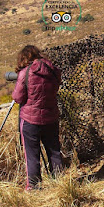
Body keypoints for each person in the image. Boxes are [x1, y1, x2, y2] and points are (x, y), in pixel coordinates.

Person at [12, 45, 62, 190]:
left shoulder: (25, 73)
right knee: (54, 150)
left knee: (32, 154)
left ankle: (34, 186)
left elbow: (18, 97)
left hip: (30, 119)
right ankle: (59, 183)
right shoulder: (53, 70)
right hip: (51, 116)